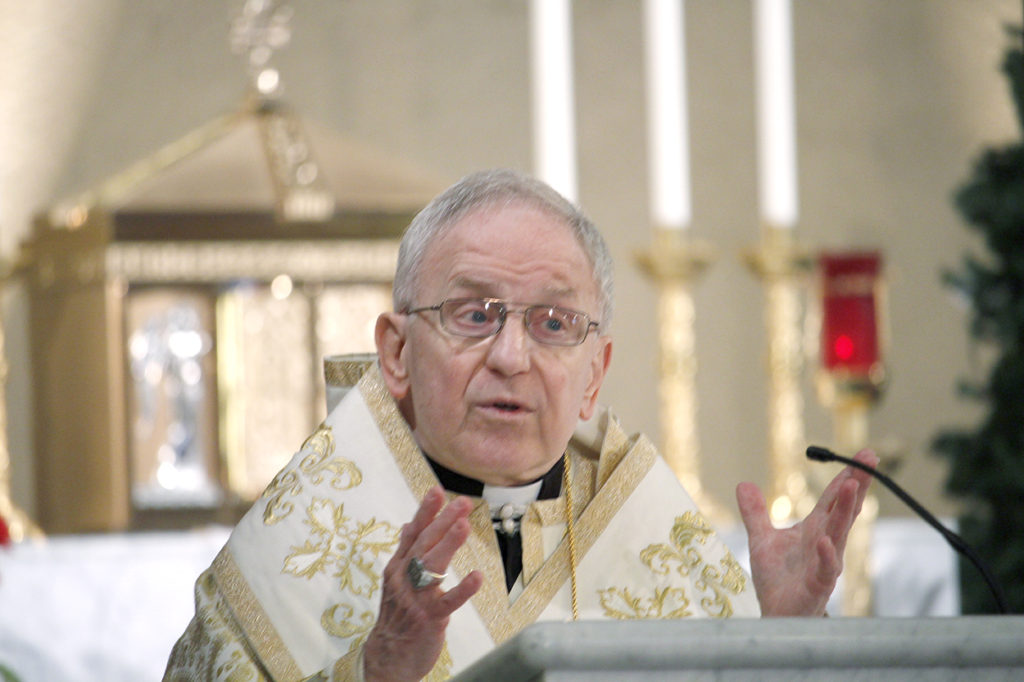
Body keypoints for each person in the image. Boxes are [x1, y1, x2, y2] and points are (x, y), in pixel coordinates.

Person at [164, 168, 876, 681]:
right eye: (473, 314)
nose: (511, 355)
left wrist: (787, 644)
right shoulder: (285, 554)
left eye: (553, 323)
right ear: (396, 351)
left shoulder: (653, 529)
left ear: (594, 374)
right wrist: (374, 673)